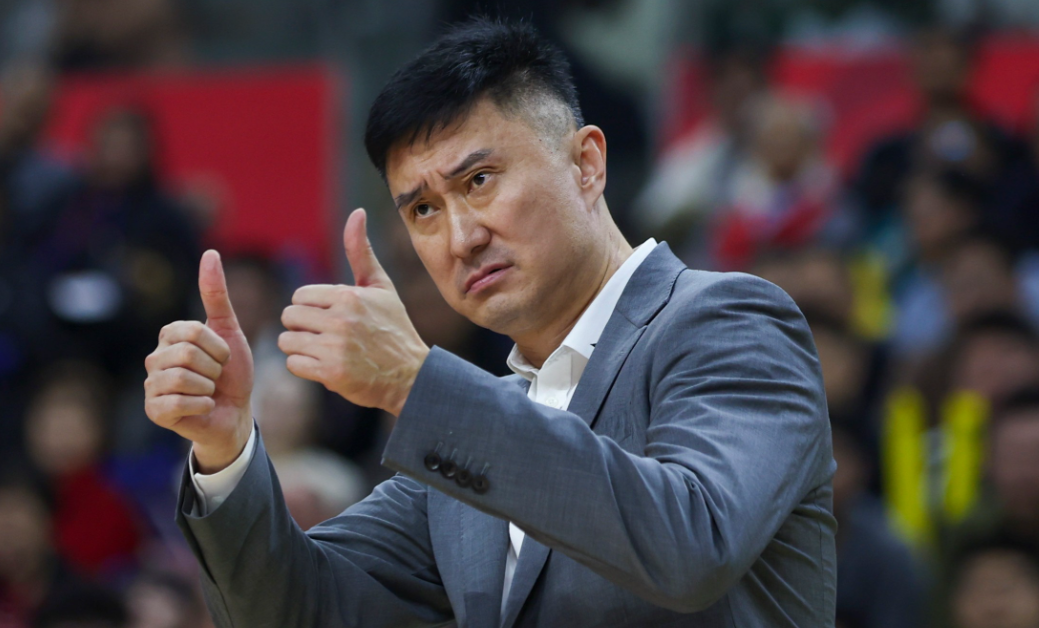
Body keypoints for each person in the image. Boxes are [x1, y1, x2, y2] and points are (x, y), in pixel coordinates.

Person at [143, 19, 836, 627]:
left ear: (586, 163)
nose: (461, 237)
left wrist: (414, 385)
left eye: (478, 181)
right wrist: (226, 451)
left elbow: (692, 545)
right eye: (423, 210)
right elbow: (299, 612)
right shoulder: (467, 436)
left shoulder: (727, 321)